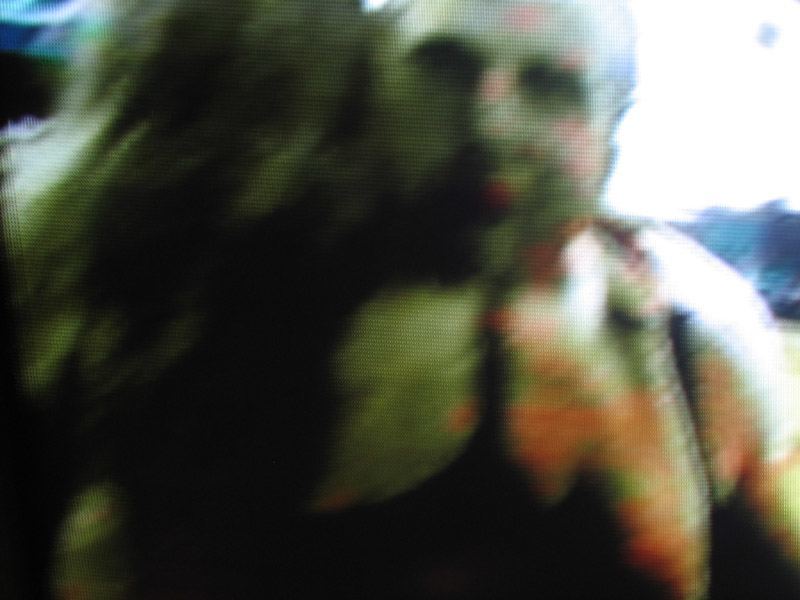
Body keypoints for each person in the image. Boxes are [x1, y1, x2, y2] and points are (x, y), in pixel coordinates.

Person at [2, 0, 798, 598]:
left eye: (551, 85)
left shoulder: (702, 345)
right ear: (371, 86)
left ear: (612, 125)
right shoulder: (255, 330)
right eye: (444, 67)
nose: (489, 121)